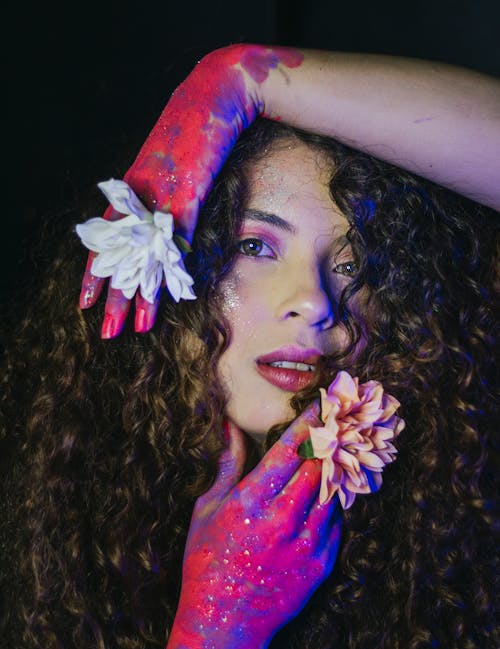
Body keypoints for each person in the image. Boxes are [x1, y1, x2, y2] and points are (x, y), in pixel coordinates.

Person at [1, 45, 498, 649]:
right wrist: (217, 628)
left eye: (352, 262)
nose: (315, 301)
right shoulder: (51, 540)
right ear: (166, 267)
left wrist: (240, 78)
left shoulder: (453, 530)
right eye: (254, 247)